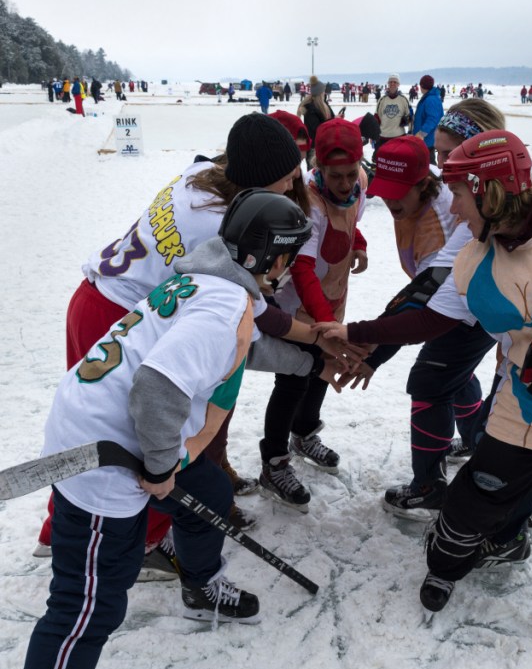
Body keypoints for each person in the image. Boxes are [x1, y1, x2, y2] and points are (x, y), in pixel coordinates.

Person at [0, 191, 318, 669]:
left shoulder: (210, 279)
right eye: (284, 258)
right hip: (103, 454)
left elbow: (239, 347)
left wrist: (314, 357)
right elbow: (158, 388)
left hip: (115, 431)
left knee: (210, 493)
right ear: (263, 255)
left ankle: (200, 584)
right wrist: (158, 468)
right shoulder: (227, 297)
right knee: (86, 607)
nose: (286, 271)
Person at [321, 130, 532, 666]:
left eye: (459, 192)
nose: (452, 204)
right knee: (478, 495)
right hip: (526, 397)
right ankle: (447, 563)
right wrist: (359, 332)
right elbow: (434, 316)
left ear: (491, 189)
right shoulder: (475, 250)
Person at [32, 115, 332, 563]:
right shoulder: (224, 229)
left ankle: (60, 529)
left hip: (98, 299)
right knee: (142, 436)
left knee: (93, 435)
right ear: (256, 180)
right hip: (127, 311)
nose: (295, 184)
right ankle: (150, 539)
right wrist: (316, 337)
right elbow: (253, 321)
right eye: (286, 178)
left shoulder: (201, 175)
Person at [349, 103, 506, 519]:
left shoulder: (445, 218)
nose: (443, 163)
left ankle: (430, 487)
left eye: (450, 153)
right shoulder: (450, 185)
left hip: (473, 309)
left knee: (431, 380)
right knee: (456, 374)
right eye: (438, 153)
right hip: (474, 303)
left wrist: (371, 351)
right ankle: (475, 442)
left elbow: (425, 301)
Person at [259, 118, 368, 509]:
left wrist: (360, 245)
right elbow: (302, 269)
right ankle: (273, 460)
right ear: (317, 167)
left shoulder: (361, 181)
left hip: (333, 299)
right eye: (333, 175)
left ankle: (304, 432)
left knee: (323, 368)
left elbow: (354, 219)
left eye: (350, 173)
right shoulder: (309, 205)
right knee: (293, 377)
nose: (344, 183)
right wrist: (324, 326)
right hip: (300, 306)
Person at [297, 76, 335, 167]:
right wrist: (331, 124)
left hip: (325, 144)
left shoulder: (324, 105)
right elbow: (316, 129)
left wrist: (336, 119)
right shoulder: (311, 110)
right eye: (323, 91)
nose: (324, 93)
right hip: (314, 147)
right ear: (319, 93)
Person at [411, 75, 443, 163]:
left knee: (429, 165)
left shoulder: (431, 99)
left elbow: (432, 119)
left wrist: (422, 133)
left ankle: (434, 177)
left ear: (422, 86)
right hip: (425, 140)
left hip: (428, 140)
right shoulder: (429, 97)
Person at [375, 74, 411, 150]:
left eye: (395, 82)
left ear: (398, 84)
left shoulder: (403, 99)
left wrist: (409, 130)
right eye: (390, 82)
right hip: (383, 136)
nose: (392, 84)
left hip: (399, 135)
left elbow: (410, 117)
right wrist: (374, 134)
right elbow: (377, 117)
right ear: (388, 84)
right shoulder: (382, 100)